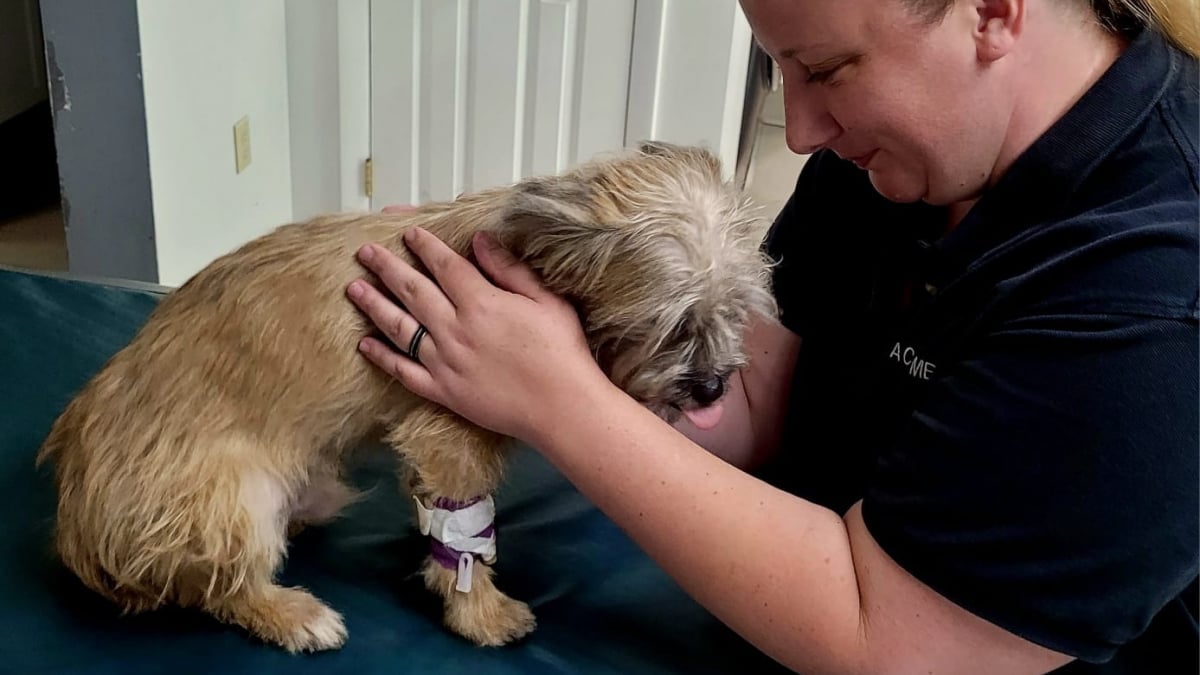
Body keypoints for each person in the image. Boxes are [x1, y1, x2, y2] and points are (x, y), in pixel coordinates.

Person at [344, 0, 1199, 672]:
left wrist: (559, 400)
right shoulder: (897, 158)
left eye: (826, 69)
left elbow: (890, 641)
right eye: (779, 67)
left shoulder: (1155, 295)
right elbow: (761, 397)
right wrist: (542, 321)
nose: (799, 133)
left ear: (994, 12)